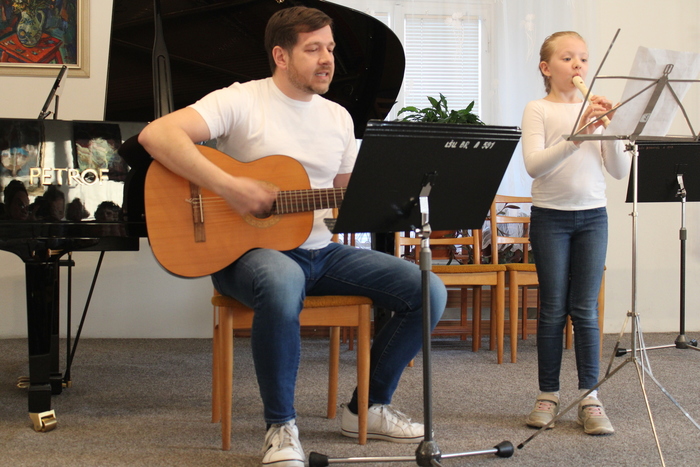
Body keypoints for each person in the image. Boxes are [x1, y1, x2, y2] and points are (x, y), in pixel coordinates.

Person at [138, 7, 447, 467]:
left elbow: (344, 193)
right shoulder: (241, 100)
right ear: (281, 56)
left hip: (321, 252)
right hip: (248, 256)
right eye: (313, 49)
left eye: (331, 49)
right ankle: (280, 427)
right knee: (283, 281)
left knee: (428, 289)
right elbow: (157, 135)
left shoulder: (338, 117)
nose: (328, 60)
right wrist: (231, 187)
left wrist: (396, 193)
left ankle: (368, 407)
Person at [521, 31, 630, 436]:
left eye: (583, 58)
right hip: (550, 218)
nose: (578, 65)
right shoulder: (538, 109)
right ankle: (547, 395)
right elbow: (534, 165)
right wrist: (578, 134)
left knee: (585, 309)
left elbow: (618, 171)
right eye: (567, 58)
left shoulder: (593, 109)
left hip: (593, 217)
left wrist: (613, 130)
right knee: (552, 308)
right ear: (547, 68)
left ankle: (590, 396)